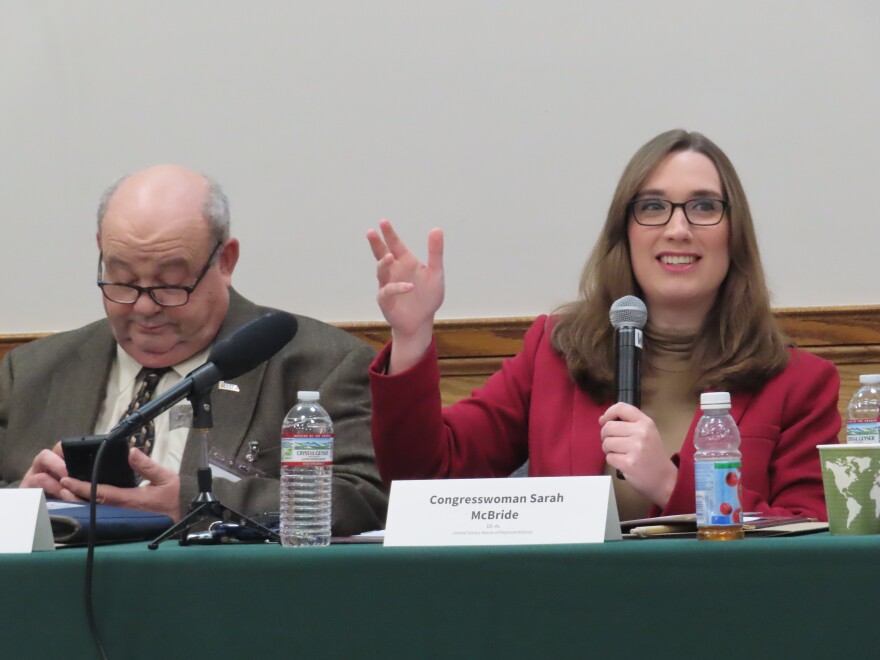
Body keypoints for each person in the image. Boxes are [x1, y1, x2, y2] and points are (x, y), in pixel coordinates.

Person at [366, 129, 839, 522]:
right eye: (653, 207)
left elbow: (808, 538)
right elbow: (425, 479)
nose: (678, 229)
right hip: (567, 617)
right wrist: (413, 336)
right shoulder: (554, 351)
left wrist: (672, 484)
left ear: (735, 234)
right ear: (625, 232)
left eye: (704, 207)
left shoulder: (800, 384)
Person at [0, 165, 387, 535]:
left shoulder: (320, 365)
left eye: (171, 284)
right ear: (102, 251)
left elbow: (363, 499)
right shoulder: (30, 372)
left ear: (226, 260)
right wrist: (23, 503)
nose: (144, 307)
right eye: (123, 281)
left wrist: (195, 503)